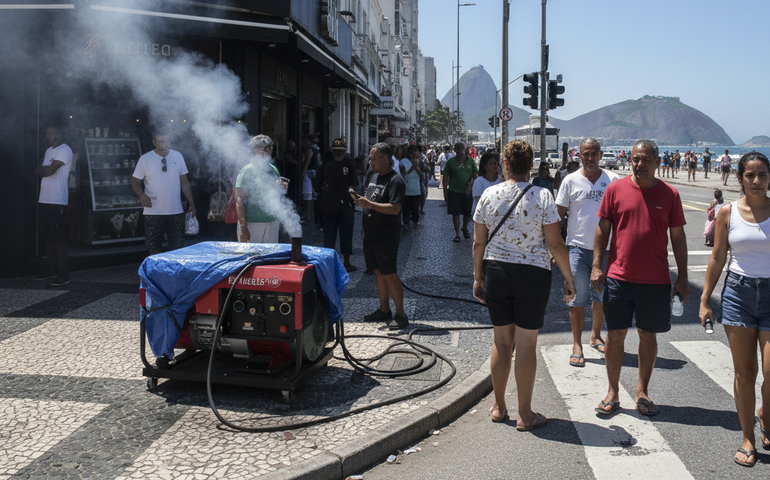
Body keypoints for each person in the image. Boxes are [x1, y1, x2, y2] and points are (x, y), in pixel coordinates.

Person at [472, 139, 575, 429]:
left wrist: (478, 277)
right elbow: (556, 243)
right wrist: (569, 279)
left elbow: (478, 242)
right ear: (530, 166)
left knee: (501, 341)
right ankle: (525, 414)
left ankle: (498, 407)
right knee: (526, 343)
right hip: (532, 275)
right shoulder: (543, 196)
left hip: (496, 272)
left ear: (505, 164)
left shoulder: (489, 194)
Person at [591, 139, 688, 417]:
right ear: (629, 160)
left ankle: (642, 392)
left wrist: (682, 277)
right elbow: (602, 229)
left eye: (645, 159)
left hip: (655, 280)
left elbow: (678, 237)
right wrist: (597, 265)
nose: (639, 164)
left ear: (657, 162)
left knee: (648, 335)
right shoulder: (615, 189)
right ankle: (612, 392)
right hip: (619, 277)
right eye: (635, 159)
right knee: (615, 335)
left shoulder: (670, 194)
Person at [699, 151, 770, 467]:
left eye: (763, 174)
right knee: (745, 372)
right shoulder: (727, 212)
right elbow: (717, 257)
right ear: (740, 178)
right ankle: (748, 438)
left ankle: (765, 413)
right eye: (750, 175)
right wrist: (705, 300)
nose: (757, 180)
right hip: (738, 295)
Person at [556, 138, 618, 367]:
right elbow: (557, 216)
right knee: (576, 298)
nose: (590, 158)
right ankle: (577, 344)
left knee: (601, 297)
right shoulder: (570, 181)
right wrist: (554, 248)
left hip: (606, 250)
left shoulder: (613, 180)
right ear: (579, 155)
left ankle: (595, 336)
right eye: (585, 154)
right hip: (577, 249)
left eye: (594, 153)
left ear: (600, 154)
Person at [353, 143, 408, 330]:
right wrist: (361, 201)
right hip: (370, 234)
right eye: (370, 158)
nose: (370, 162)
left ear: (385, 159)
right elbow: (372, 199)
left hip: (386, 236)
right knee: (378, 272)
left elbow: (395, 208)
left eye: (373, 159)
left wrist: (368, 204)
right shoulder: (373, 176)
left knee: (389, 273)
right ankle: (384, 309)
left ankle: (401, 314)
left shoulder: (396, 181)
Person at [131, 133, 196, 256]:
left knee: (177, 247)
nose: (164, 144)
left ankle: (175, 269)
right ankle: (155, 269)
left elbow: (184, 182)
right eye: (160, 141)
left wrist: (191, 203)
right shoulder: (145, 159)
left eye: (166, 141)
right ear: (154, 143)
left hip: (175, 210)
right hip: (153, 211)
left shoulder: (177, 156)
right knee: (154, 248)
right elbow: (135, 181)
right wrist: (141, 195)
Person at [35, 126, 73, 286]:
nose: (48, 136)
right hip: (44, 199)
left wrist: (43, 170)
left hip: (57, 200)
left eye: (50, 133)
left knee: (58, 238)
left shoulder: (65, 150)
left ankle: (63, 275)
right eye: (47, 134)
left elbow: (49, 171)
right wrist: (42, 170)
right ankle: (51, 270)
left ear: (59, 134)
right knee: (48, 237)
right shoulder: (48, 150)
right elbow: (38, 169)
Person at [317, 138, 358, 271]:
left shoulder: (325, 165)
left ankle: (329, 264)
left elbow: (317, 185)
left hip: (329, 204)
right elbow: (354, 183)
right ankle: (346, 263)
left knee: (329, 235)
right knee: (346, 234)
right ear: (345, 151)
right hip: (345, 204)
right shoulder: (349, 165)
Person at [234, 135, 284, 243]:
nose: (268, 151)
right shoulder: (247, 170)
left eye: (270, 147)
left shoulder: (273, 169)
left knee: (271, 254)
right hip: (252, 223)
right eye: (264, 148)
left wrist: (281, 188)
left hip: (272, 221)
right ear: (255, 150)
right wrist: (243, 227)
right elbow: (239, 201)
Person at [443, 141, 478, 242]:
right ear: (455, 150)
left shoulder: (470, 161)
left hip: (468, 192)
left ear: (465, 149)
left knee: (467, 212)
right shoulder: (450, 162)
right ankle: (457, 234)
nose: (460, 150)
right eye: (457, 148)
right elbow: (445, 177)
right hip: (454, 190)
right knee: (455, 213)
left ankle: (465, 228)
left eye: (461, 148)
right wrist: (445, 192)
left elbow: (476, 173)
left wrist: (473, 184)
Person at [399, 144, 423, 230]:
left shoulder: (418, 162)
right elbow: (404, 174)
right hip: (406, 190)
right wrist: (413, 167)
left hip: (416, 190)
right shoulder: (403, 161)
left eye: (415, 153)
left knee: (415, 209)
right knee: (406, 209)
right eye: (412, 153)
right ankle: (406, 223)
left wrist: (417, 168)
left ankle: (415, 222)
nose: (413, 155)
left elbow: (422, 176)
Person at [300, 135, 320, 224]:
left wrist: (303, 173)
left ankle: (307, 215)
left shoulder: (309, 150)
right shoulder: (317, 149)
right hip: (315, 172)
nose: (304, 143)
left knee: (307, 194)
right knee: (312, 195)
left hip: (309, 172)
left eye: (306, 141)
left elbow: (307, 162)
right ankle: (311, 214)